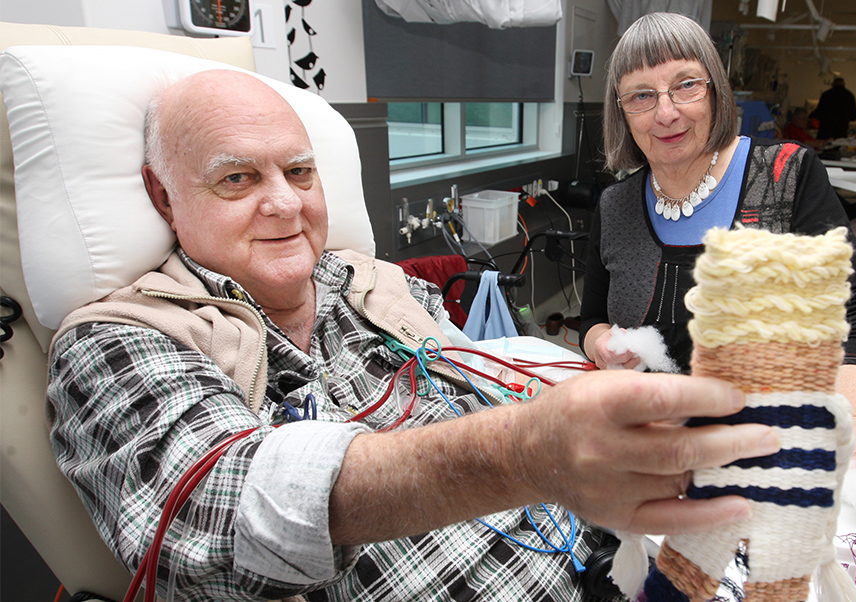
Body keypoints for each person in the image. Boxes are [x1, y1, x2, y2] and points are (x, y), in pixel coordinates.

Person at [46, 70, 783, 601]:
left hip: (588, 558)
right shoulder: (117, 341)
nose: (282, 204)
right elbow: (219, 511)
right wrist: (529, 452)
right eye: (236, 179)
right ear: (161, 195)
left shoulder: (375, 283)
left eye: (299, 172)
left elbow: (486, 375)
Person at [579, 12, 856, 465]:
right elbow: (590, 320)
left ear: (714, 90)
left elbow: (854, 314)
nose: (666, 113)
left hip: (771, 447)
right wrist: (601, 345)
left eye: (686, 85)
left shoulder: (785, 174)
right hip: (654, 447)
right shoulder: (615, 206)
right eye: (642, 95)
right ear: (621, 112)